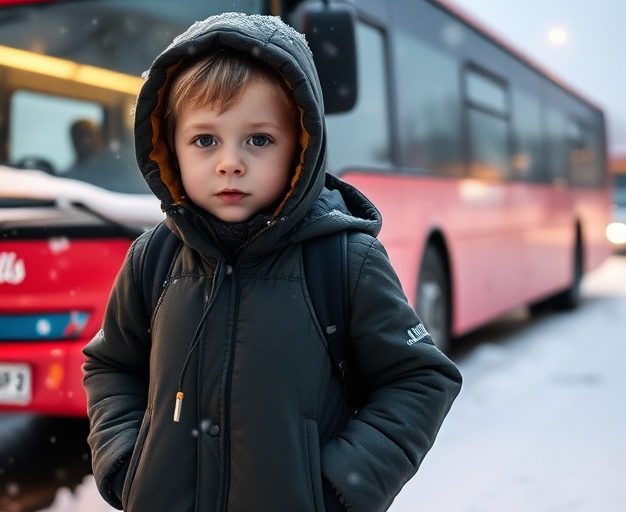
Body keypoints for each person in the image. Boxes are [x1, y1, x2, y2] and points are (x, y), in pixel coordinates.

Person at [82, 12, 462, 512]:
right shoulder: (153, 259)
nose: (229, 162)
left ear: (301, 146)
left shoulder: (345, 260)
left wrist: (339, 485)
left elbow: (420, 379)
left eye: (258, 139)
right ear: (170, 148)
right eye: (205, 140)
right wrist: (123, 462)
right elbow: (111, 365)